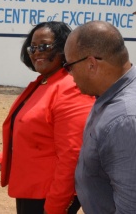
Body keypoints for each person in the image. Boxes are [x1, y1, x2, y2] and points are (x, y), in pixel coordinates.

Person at [0, 21, 95, 214]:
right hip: (32, 189)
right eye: (32, 47)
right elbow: (36, 135)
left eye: (44, 46)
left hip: (50, 194)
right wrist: (2, 161)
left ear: (64, 48)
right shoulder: (44, 82)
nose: (36, 52)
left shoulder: (71, 88)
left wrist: (55, 206)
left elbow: (72, 155)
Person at [64, 20, 136, 213]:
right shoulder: (112, 93)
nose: (69, 75)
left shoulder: (124, 120)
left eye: (69, 66)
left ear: (91, 64)